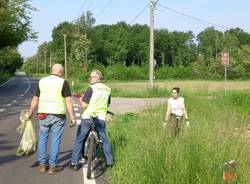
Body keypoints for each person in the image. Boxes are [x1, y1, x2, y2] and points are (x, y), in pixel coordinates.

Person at [28, 63, 76, 174]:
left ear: (52, 70)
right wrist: (72, 116)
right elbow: (68, 100)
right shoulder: (63, 82)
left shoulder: (42, 81)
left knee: (43, 139)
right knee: (55, 140)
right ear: (61, 72)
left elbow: (35, 98)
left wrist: (30, 112)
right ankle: (53, 166)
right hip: (58, 116)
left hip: (43, 114)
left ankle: (42, 165)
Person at [69, 69, 114, 171]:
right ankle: (110, 163)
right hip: (101, 118)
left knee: (80, 138)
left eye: (90, 77)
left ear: (96, 78)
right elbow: (107, 104)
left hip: (88, 117)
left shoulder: (91, 88)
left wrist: (80, 98)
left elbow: (84, 105)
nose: (89, 79)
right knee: (105, 140)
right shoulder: (108, 89)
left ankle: (74, 163)